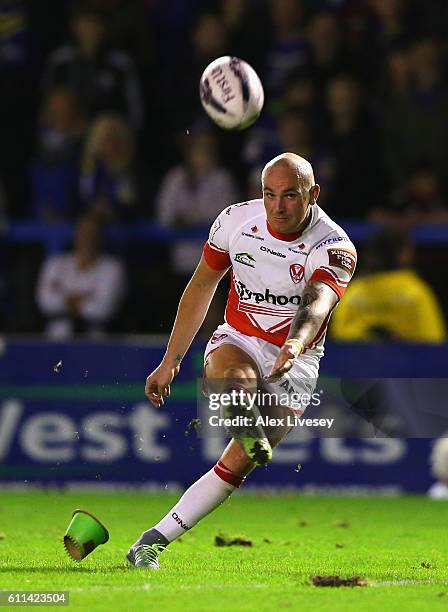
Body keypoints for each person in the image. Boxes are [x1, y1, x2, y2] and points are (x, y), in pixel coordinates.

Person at [126, 153, 357, 569]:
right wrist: (171, 359)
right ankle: (241, 409)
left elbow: (318, 303)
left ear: (313, 194)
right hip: (240, 337)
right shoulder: (235, 222)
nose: (278, 206)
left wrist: (296, 343)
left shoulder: (335, 245)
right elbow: (201, 285)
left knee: (238, 462)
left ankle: (151, 540)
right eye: (270, 195)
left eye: (290, 196)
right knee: (233, 376)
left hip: (298, 359)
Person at [330, 227, 446, 343]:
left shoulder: (352, 292)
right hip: (407, 360)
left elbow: (338, 337)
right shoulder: (415, 290)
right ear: (403, 254)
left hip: (357, 360)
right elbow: (433, 339)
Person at [36, 213, 126, 338]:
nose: (87, 237)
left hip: (97, 340)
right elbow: (45, 301)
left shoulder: (113, 268)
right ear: (75, 234)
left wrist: (64, 297)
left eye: (92, 233)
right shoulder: (55, 264)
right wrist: (86, 297)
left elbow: (103, 308)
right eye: (83, 232)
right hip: (56, 337)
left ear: (100, 236)